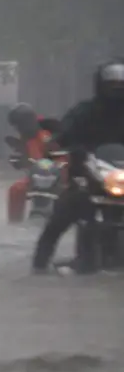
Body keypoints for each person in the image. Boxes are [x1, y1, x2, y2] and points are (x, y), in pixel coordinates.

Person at [32, 59, 124, 273]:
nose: (117, 89)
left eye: (121, 85)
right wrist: (57, 143)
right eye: (112, 85)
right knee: (58, 220)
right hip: (88, 175)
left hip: (120, 175)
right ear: (101, 85)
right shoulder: (85, 111)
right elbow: (64, 132)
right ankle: (38, 267)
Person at [6, 103, 54, 223]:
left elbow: (60, 153)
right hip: (36, 176)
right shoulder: (26, 137)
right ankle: (14, 222)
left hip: (58, 176)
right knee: (16, 189)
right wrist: (18, 160)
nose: (17, 129)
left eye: (19, 125)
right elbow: (26, 156)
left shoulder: (46, 134)